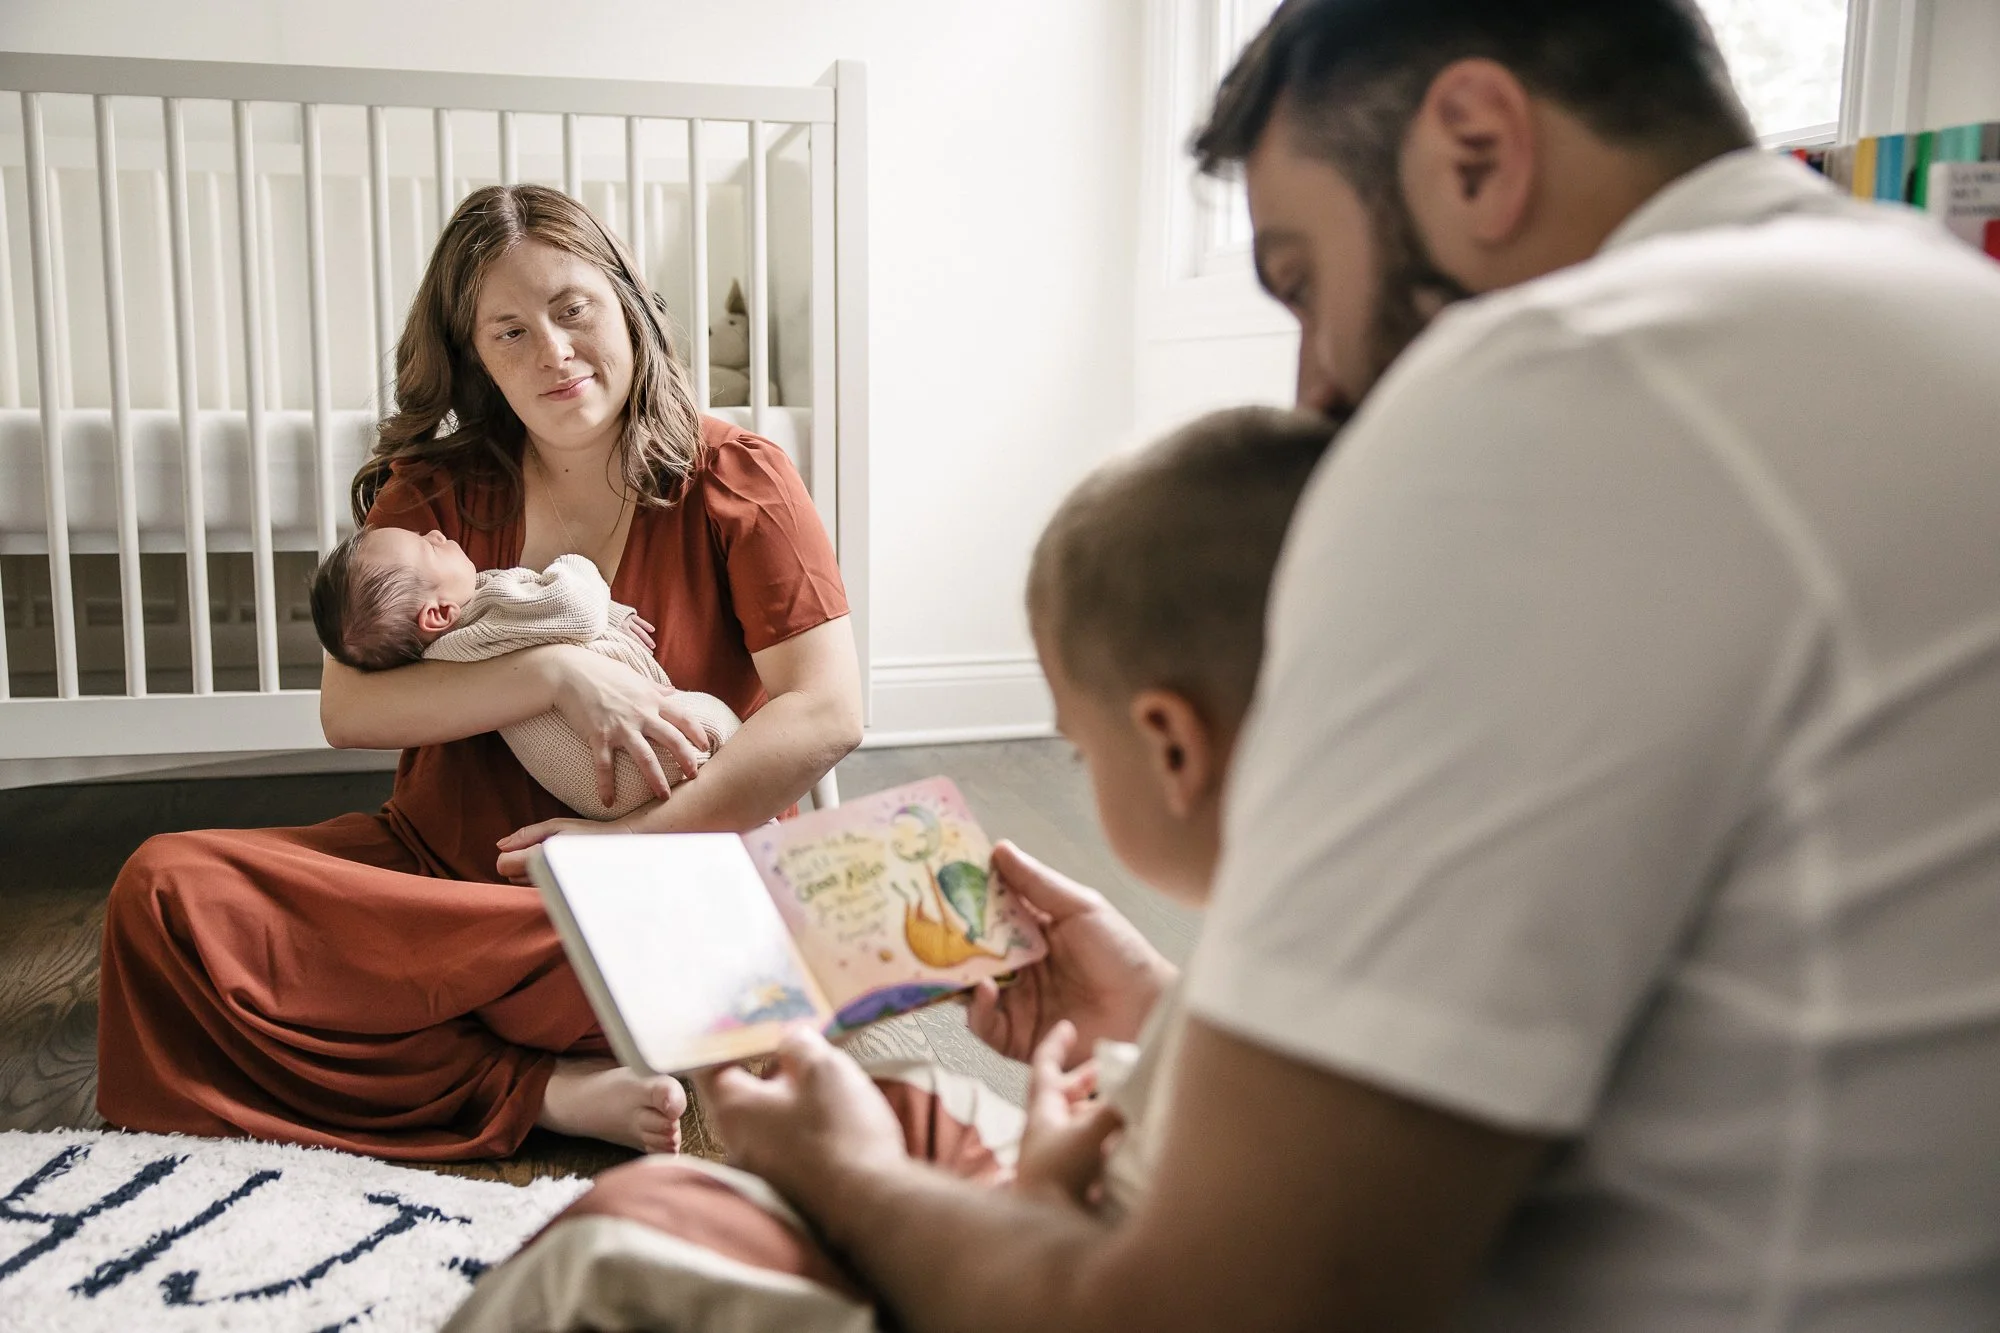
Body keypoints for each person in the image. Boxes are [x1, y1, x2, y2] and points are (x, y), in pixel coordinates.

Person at [689, 1, 2000, 1329]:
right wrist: (1173, 1008)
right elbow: (1715, 983)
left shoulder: (1560, 391)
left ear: (1477, 149)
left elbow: (1210, 1309)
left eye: (1304, 279)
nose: (1315, 386)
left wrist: (836, 1169)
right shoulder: (1934, 302)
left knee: (646, 1237)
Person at [444, 405, 1340, 1333]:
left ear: (1171, 747)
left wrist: (854, 1178)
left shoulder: (1346, 1008)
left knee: (617, 1238)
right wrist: (1148, 1011)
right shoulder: (1322, 939)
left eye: (1078, 748)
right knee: (909, 1095)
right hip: (1123, 1202)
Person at [96, 184, 863, 1161]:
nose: (551, 351)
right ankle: (534, 1087)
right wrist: (552, 675)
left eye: (571, 308)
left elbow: (827, 710)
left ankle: (440, 1037)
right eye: (508, 331)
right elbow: (349, 707)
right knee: (162, 895)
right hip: (436, 883)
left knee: (704, 949)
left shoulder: (738, 477)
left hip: (644, 886)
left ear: (626, 300)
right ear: (476, 359)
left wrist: (616, 849)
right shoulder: (438, 492)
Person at [309, 527, 742, 819]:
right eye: (429, 547)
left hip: (595, 793)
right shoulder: (494, 604)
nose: (437, 533)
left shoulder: (440, 659)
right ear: (440, 613)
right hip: (640, 757)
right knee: (728, 728)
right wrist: (575, 565)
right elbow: (575, 609)